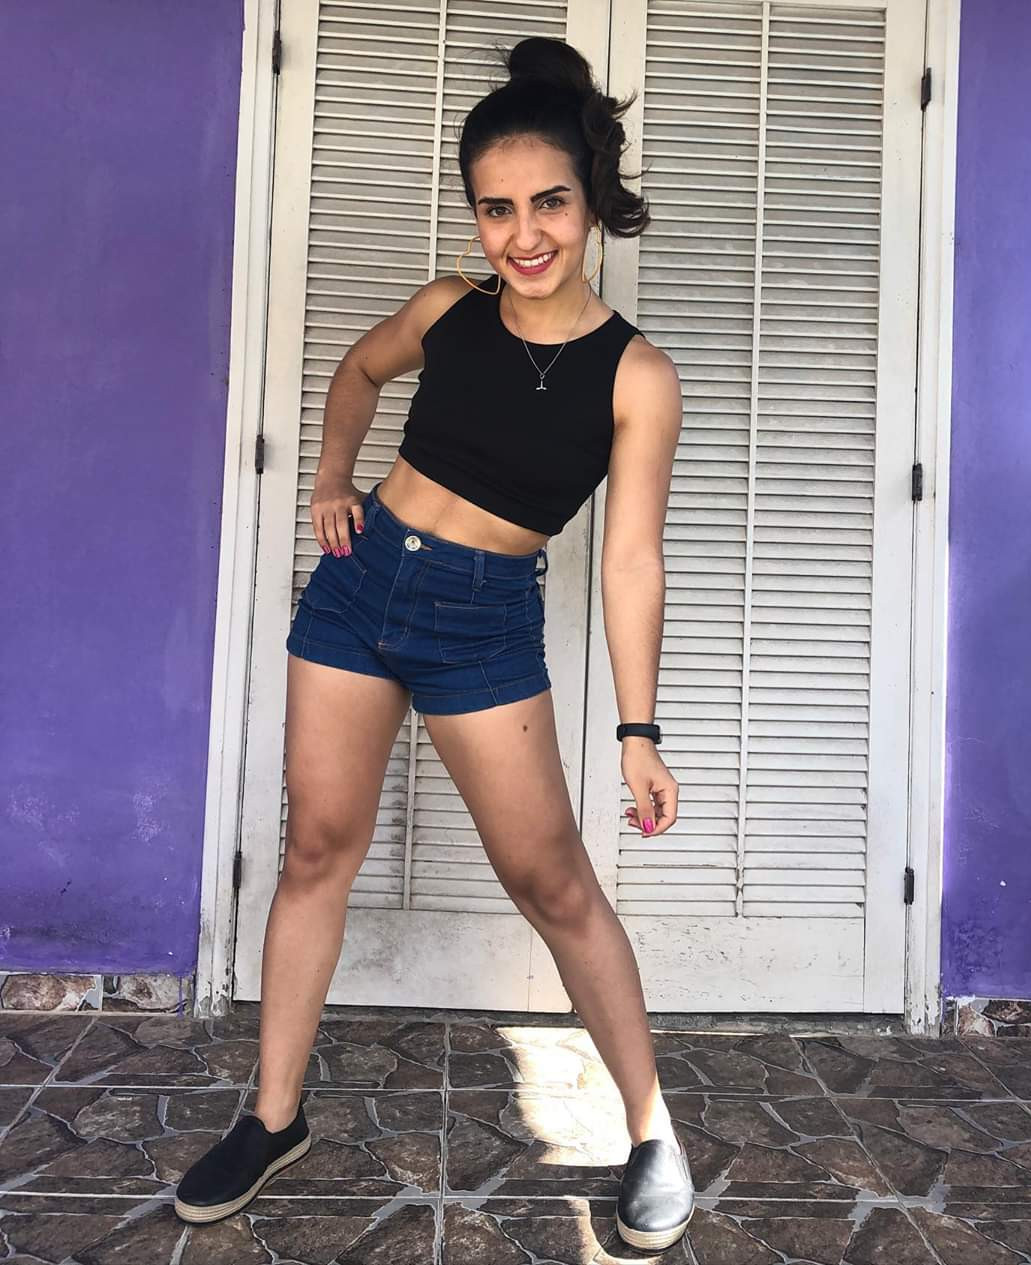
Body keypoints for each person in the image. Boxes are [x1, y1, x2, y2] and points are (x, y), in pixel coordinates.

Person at [174, 35, 690, 1250]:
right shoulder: (448, 311)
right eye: (497, 208)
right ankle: (274, 1114)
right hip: (359, 590)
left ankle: (652, 1128)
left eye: (548, 203)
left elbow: (630, 560)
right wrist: (330, 480)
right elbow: (358, 372)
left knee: (551, 879)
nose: (524, 234)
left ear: (589, 201)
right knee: (316, 848)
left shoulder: (636, 375)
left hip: (482, 618)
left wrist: (638, 728)